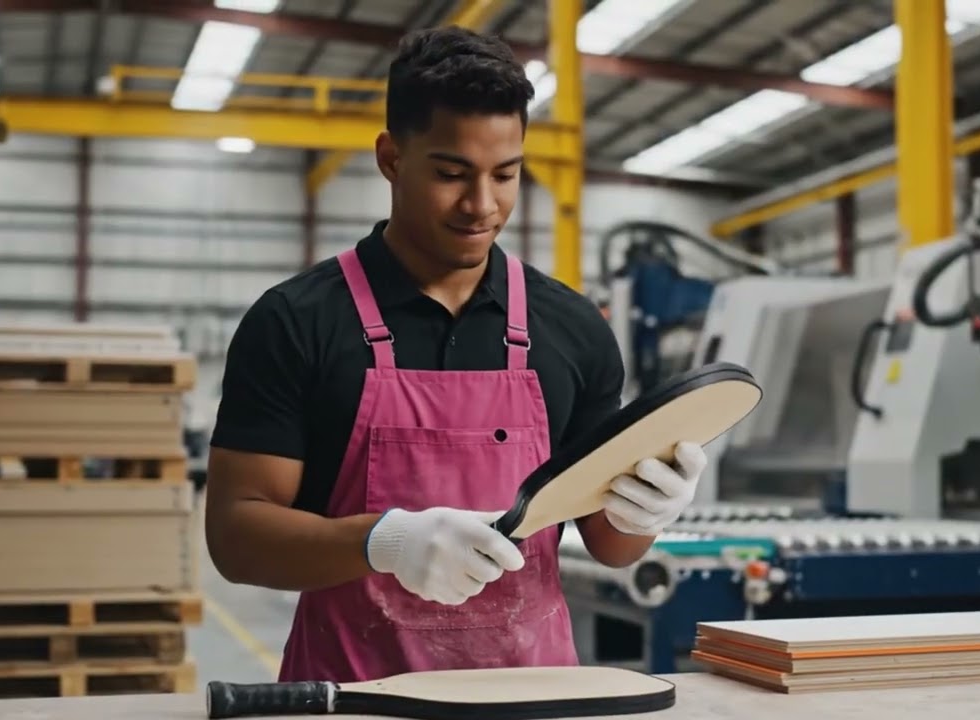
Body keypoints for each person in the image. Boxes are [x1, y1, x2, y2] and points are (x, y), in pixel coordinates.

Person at [203, 25, 709, 684]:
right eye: (451, 174)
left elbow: (611, 544)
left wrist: (647, 507)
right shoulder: (299, 321)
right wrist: (387, 541)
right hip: (356, 695)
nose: (482, 205)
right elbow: (237, 537)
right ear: (390, 157)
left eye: (506, 174)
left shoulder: (572, 328)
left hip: (533, 696)